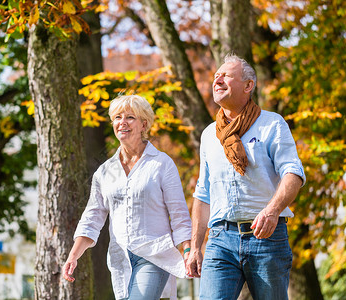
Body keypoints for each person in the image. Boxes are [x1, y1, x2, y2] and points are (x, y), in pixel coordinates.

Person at [186, 54, 306, 300]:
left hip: (267, 237)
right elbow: (203, 192)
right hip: (220, 239)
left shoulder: (272, 124)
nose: (217, 80)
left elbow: (293, 173)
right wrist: (195, 248)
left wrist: (272, 211)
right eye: (216, 76)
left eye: (226, 75)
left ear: (248, 85)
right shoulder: (209, 135)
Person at [63, 95, 192, 300]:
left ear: (144, 124)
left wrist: (188, 251)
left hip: (153, 255)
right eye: (117, 117)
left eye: (130, 117)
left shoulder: (161, 164)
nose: (122, 122)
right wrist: (73, 255)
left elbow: (179, 214)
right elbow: (93, 217)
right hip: (120, 259)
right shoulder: (105, 171)